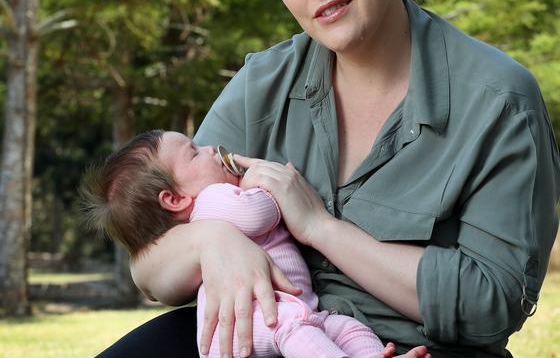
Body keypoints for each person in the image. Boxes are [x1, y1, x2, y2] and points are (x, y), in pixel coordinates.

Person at [97, 0, 560, 357]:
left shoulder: (499, 100)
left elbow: (492, 306)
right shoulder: (263, 83)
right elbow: (148, 265)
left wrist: (321, 228)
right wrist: (210, 242)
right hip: (269, 337)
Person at [81, 129, 430, 358]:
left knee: (343, 327)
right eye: (194, 152)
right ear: (174, 199)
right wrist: (266, 186)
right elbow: (256, 215)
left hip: (284, 310)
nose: (211, 148)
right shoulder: (213, 200)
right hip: (262, 316)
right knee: (296, 327)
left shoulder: (206, 201)